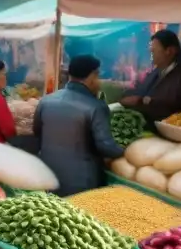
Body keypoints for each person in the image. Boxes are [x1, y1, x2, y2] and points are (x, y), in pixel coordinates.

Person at [34, 55, 125, 196]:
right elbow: (106, 146)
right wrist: (124, 151)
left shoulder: (46, 101)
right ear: (92, 76)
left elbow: (37, 132)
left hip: (48, 175)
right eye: (98, 75)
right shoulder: (95, 107)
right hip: (81, 183)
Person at [121, 29, 181, 124]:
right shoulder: (157, 70)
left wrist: (145, 101)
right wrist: (126, 95)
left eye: (154, 52)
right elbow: (141, 89)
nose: (151, 57)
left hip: (170, 132)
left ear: (169, 51)